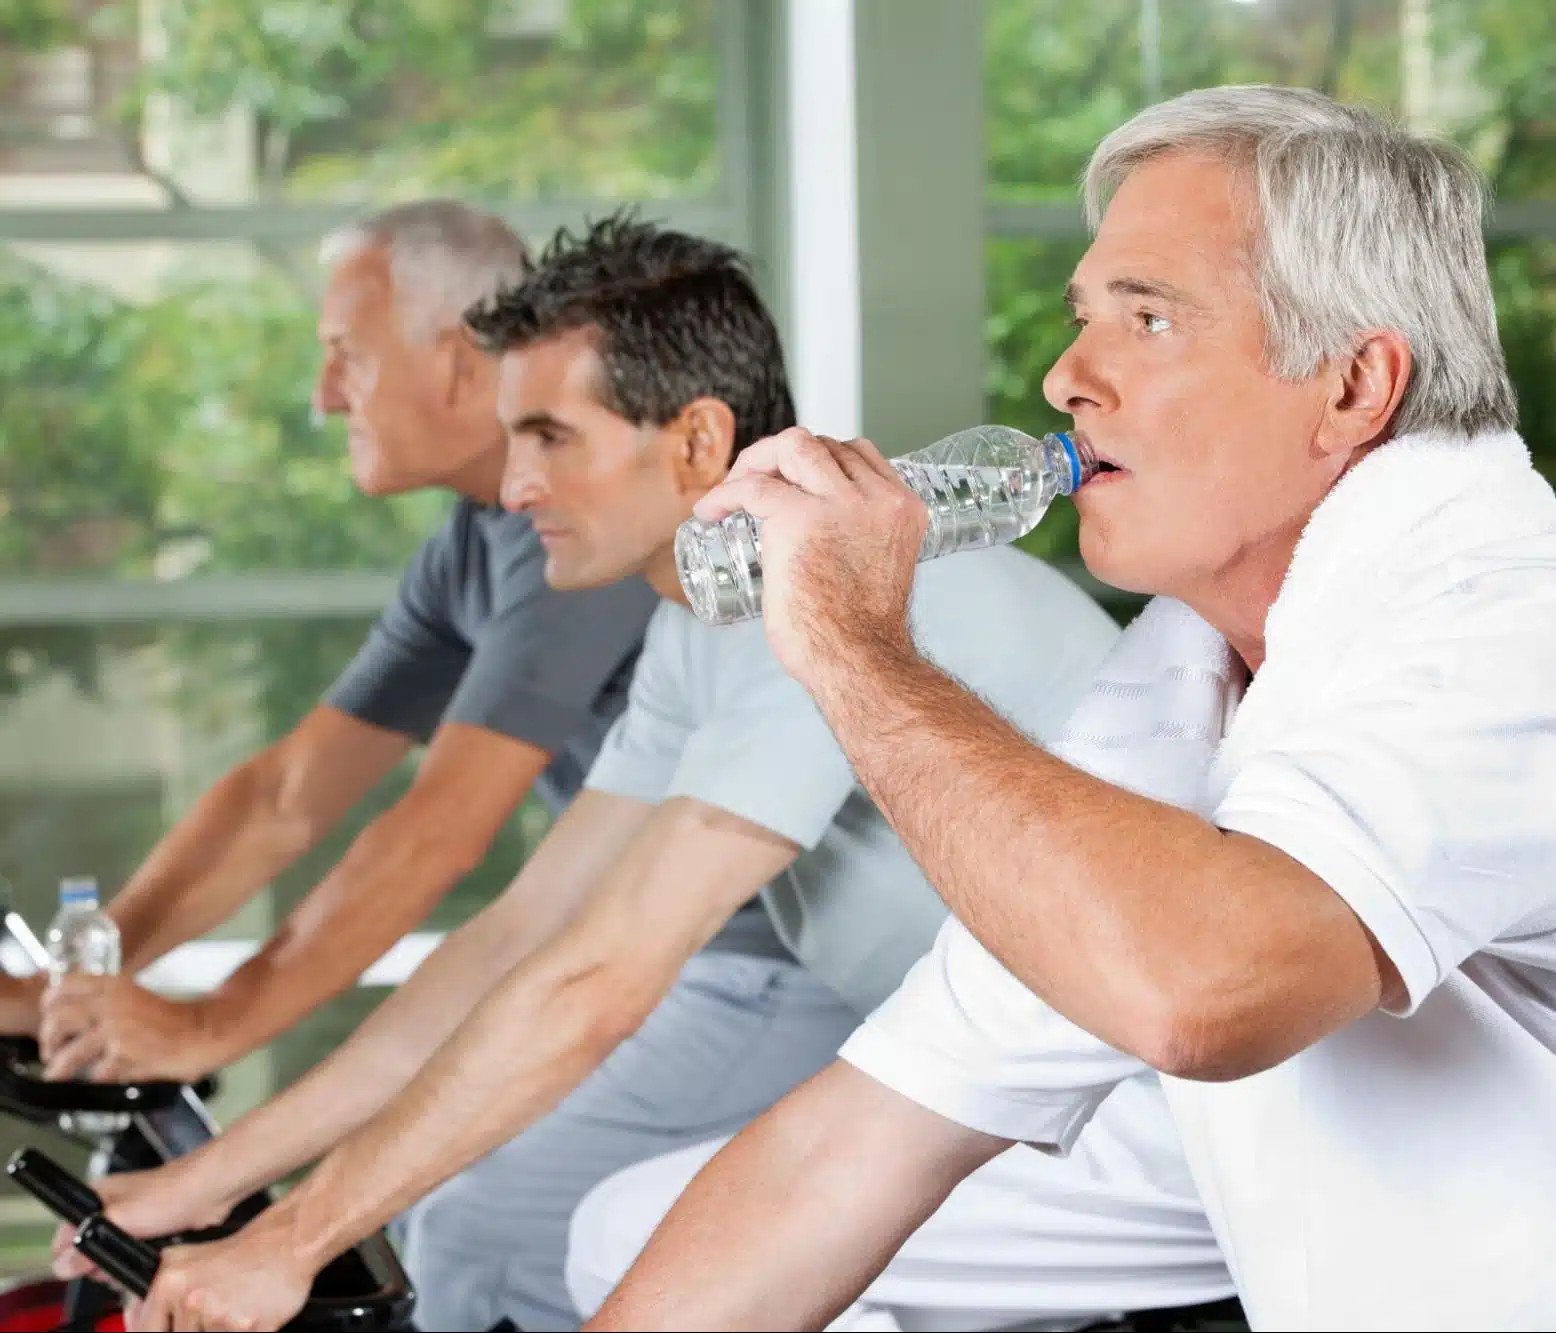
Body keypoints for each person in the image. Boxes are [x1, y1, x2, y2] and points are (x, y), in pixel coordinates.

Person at [570, 88, 1556, 1331]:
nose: (1068, 377)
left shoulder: (1532, 634)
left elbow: (1206, 989)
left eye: (1149, 316)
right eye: (1082, 319)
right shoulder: (1173, 686)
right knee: (648, 1225)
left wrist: (849, 645)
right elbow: (854, 1150)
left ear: (1353, 386)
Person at [95, 218, 1235, 1333]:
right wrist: (205, 1190)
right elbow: (522, 935)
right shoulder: (701, 623)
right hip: (1007, 1092)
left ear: (696, 440)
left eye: (550, 437)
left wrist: (288, 1243)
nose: (516, 482)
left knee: (626, 1238)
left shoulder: (846, 590)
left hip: (1160, 1104)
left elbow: (597, 982)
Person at [12, 201, 657, 1087]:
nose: (323, 396)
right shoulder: (472, 546)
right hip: (655, 958)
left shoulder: (585, 522)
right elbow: (285, 798)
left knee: (460, 1214)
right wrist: (76, 979)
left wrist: (212, 1023)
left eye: (346, 355)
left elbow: (439, 831)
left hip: (759, 961)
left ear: (461, 357)